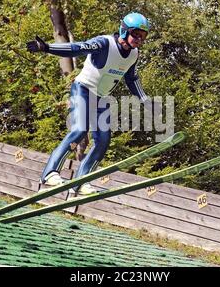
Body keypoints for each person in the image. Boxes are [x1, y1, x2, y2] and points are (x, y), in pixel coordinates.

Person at [27, 12, 152, 195]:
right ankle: (49, 173)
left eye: (143, 36)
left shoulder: (133, 54)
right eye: (136, 34)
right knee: (79, 130)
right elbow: (77, 48)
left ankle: (81, 182)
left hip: (101, 98)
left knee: (103, 141)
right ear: (124, 31)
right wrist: (47, 47)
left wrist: (145, 100)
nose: (139, 40)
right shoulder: (104, 43)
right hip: (83, 90)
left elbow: (132, 79)